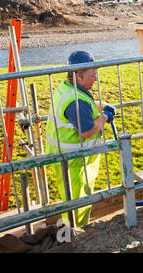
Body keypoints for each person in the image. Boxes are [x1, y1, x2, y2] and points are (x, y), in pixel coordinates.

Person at [45, 51, 116, 227]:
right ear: (78, 75)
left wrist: (102, 105)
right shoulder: (75, 100)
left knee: (71, 198)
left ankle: (72, 232)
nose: (96, 79)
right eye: (92, 75)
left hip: (67, 157)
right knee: (79, 203)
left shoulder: (67, 88)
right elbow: (88, 130)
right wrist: (105, 117)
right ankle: (76, 236)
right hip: (75, 161)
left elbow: (85, 107)